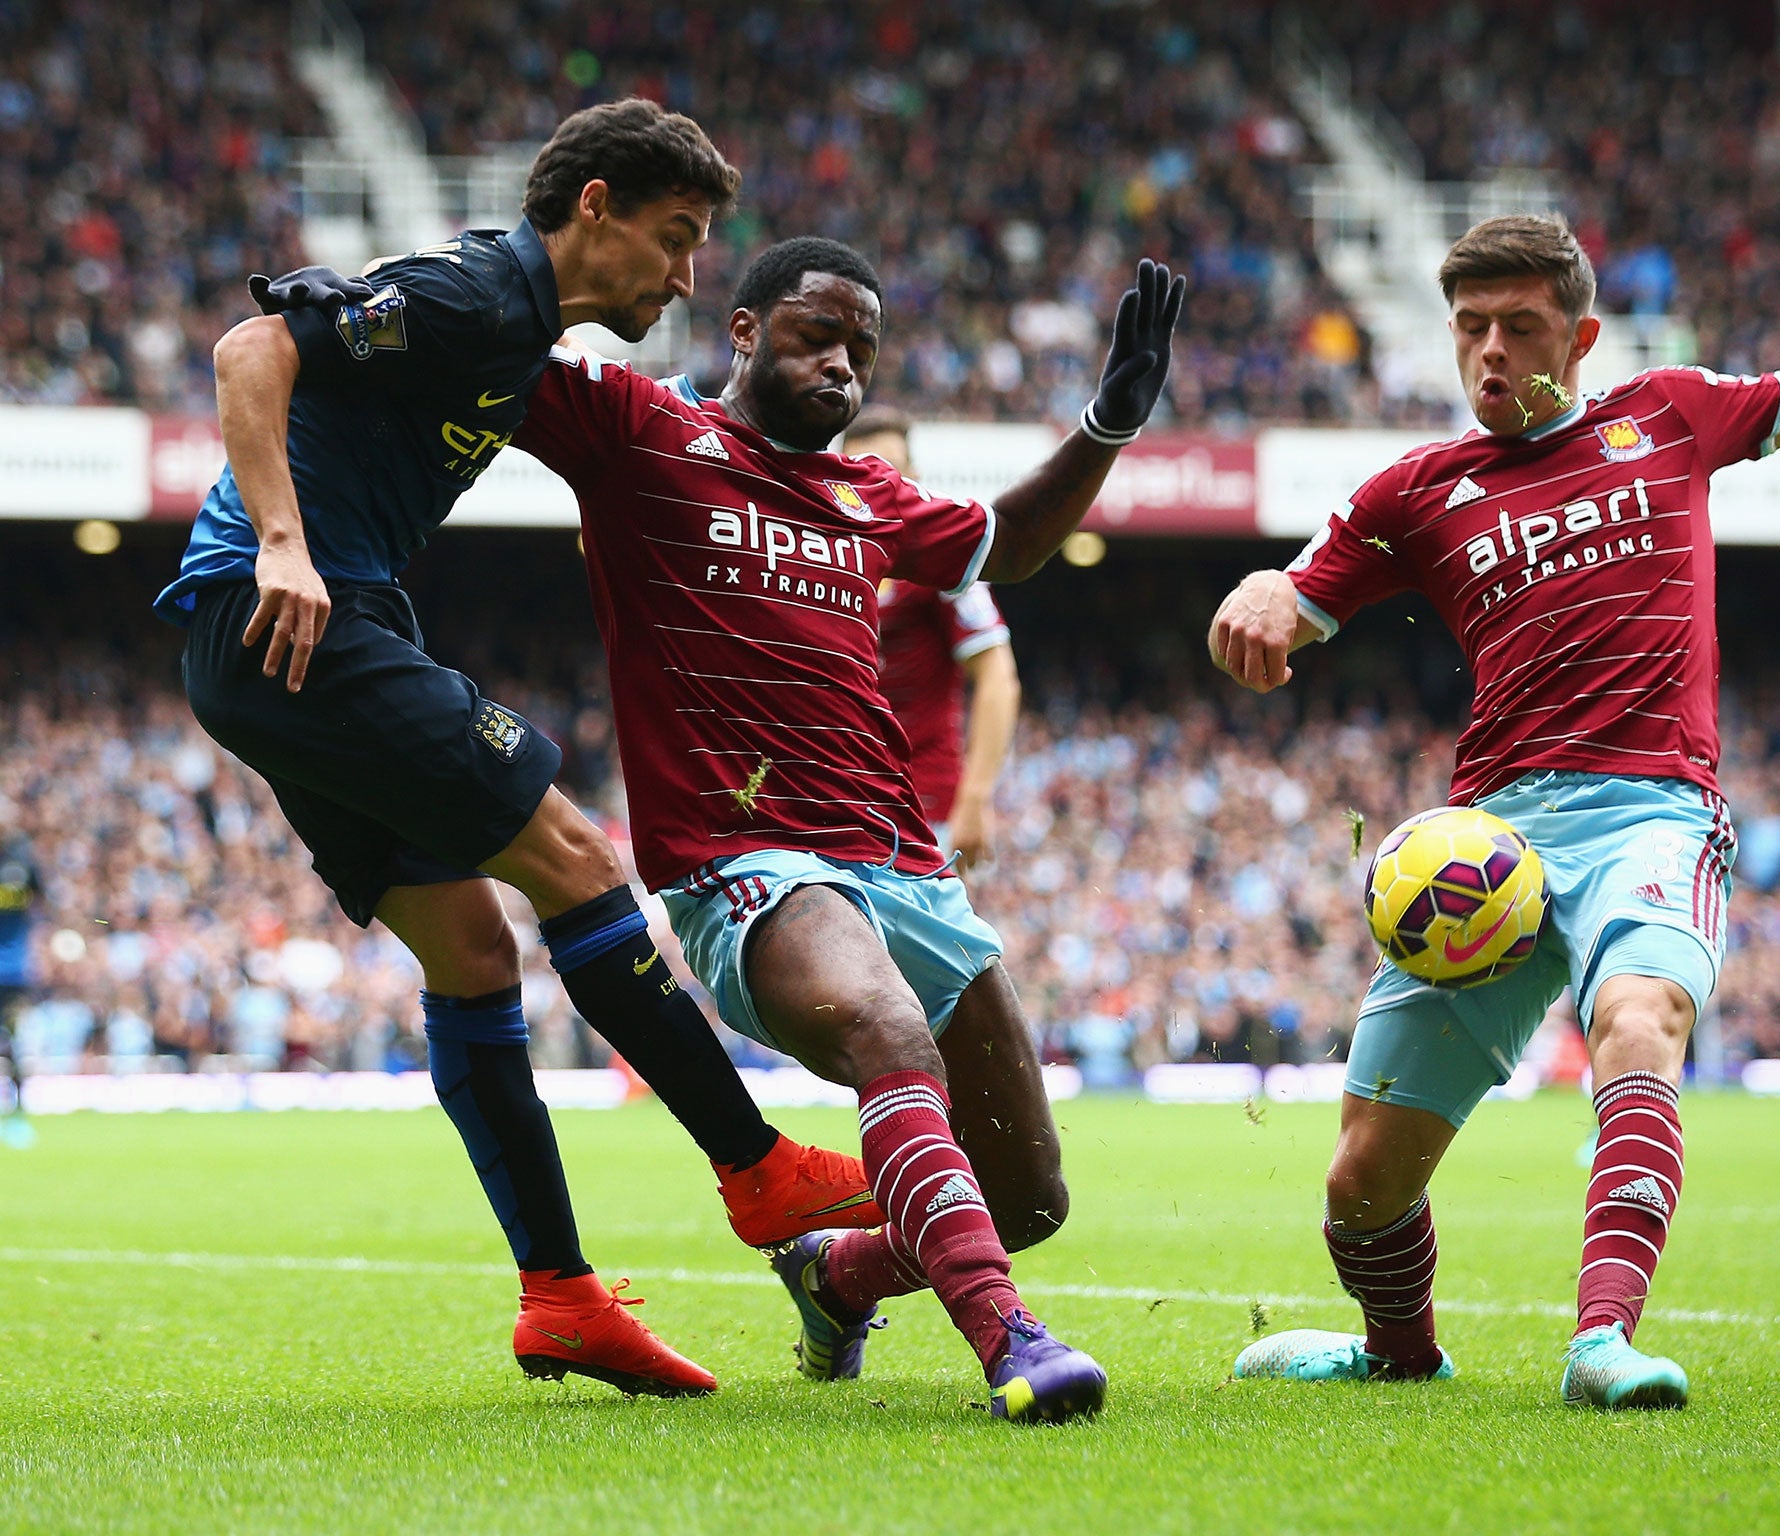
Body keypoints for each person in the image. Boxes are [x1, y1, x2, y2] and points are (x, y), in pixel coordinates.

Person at [1211, 173, 1780, 1409]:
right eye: (1469, 325)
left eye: (1517, 325)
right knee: (1358, 1182)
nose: (1488, 349)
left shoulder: (1670, 416)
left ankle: (1602, 1342)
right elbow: (1301, 597)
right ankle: (1397, 1351)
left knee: (1638, 1019)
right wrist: (1266, 591)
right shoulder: (1414, 492)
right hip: (1481, 847)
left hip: (1651, 807)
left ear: (1579, 337)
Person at [154, 100, 877, 1399]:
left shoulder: (518, 334)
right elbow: (252, 347)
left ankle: (561, 1299)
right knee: (576, 856)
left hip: (286, 641)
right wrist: (280, 542)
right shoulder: (484, 291)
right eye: (674, 237)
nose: (687, 275)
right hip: (286, 613)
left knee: (474, 949)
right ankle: (756, 1168)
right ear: (592, 207)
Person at [513, 238, 1184, 1423]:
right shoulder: (641, 432)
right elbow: (496, 354)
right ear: (741, 331)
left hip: (905, 863)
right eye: (815, 336)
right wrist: (384, 307)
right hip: (745, 861)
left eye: (860, 349)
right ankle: (1008, 1342)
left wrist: (1106, 423)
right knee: (884, 1026)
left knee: (1025, 1196)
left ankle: (835, 1273)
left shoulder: (869, 496)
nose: (840, 366)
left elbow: (1011, 546)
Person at [847, 407, 1022, 868]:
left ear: (913, 479)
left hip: (924, 812)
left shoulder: (944, 567)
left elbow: (998, 678)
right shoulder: (825, 563)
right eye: (859, 469)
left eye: (888, 470)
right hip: (839, 811)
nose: (873, 484)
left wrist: (976, 798)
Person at [0, 835, 40, 1147]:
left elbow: (42, 900)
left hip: (13, 974)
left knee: (14, 1043)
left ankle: (18, 1114)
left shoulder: (21, 865)